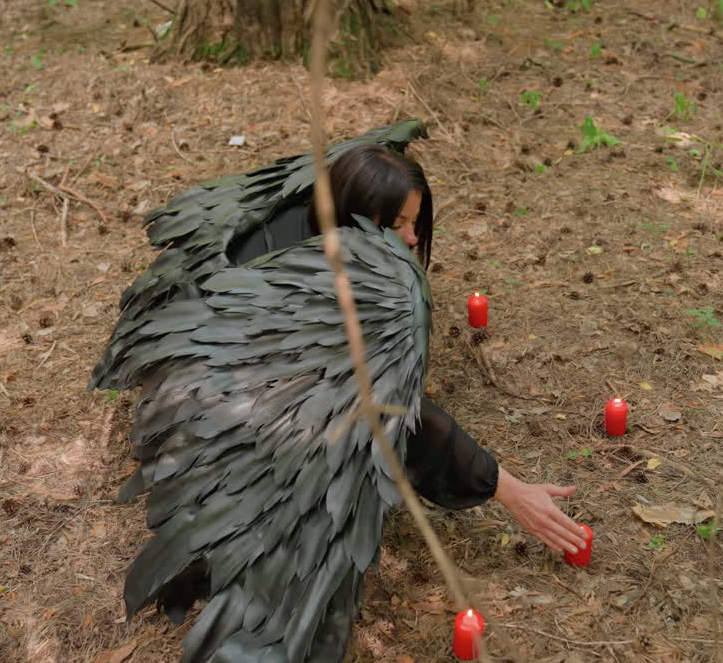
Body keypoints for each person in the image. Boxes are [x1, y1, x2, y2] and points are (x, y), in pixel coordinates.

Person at [227, 143, 589, 556]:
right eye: (398, 224)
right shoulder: (308, 298)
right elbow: (387, 408)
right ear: (352, 212)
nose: (414, 237)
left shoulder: (330, 222)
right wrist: (510, 490)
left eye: (416, 221)